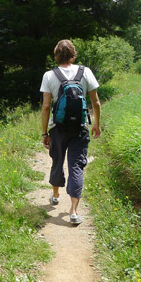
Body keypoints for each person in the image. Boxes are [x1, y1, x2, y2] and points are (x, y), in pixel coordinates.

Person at [40, 39, 101, 225]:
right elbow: (96, 102)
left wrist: (45, 133)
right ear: (73, 53)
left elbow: (46, 107)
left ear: (56, 54)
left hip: (58, 128)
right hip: (80, 129)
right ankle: (74, 212)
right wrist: (96, 124)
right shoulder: (85, 72)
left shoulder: (49, 75)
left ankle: (56, 195)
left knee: (57, 162)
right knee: (76, 166)